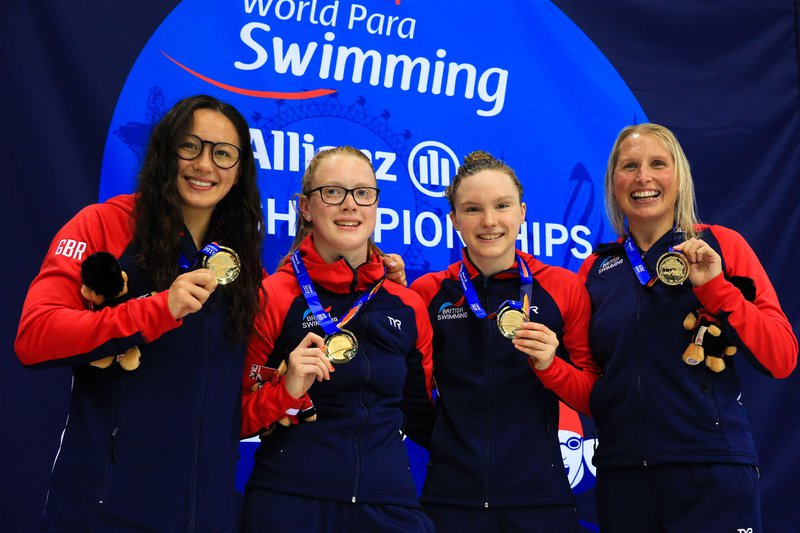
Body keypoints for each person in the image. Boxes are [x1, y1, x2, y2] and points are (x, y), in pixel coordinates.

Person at [14, 94, 265, 532]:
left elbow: (233, 396)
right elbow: (36, 335)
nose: (205, 165)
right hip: (105, 507)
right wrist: (156, 309)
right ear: (165, 150)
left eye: (223, 154)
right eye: (190, 146)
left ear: (240, 170)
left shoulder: (239, 259)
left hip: (207, 513)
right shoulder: (103, 225)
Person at [579, 123, 798, 532]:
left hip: (711, 470)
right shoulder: (596, 270)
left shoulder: (723, 246)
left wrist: (717, 288)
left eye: (657, 164)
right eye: (629, 166)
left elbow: (781, 357)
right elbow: (588, 380)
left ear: (679, 177)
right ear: (613, 183)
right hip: (623, 476)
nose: (643, 177)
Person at [239, 146, 436, 532]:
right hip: (290, 501)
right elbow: (232, 419)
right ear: (305, 207)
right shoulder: (273, 296)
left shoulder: (408, 305)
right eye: (333, 192)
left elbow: (422, 417)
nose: (350, 205)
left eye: (363, 192)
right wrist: (287, 389)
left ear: (376, 204)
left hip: (389, 505)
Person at [409, 151, 601, 533]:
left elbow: (595, 398)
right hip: (451, 501)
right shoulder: (428, 293)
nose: (489, 221)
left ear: (522, 212)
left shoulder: (561, 287)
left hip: (540, 500)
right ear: (454, 221)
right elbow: (410, 400)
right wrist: (454, 445)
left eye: (502, 206)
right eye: (472, 209)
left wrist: (551, 367)